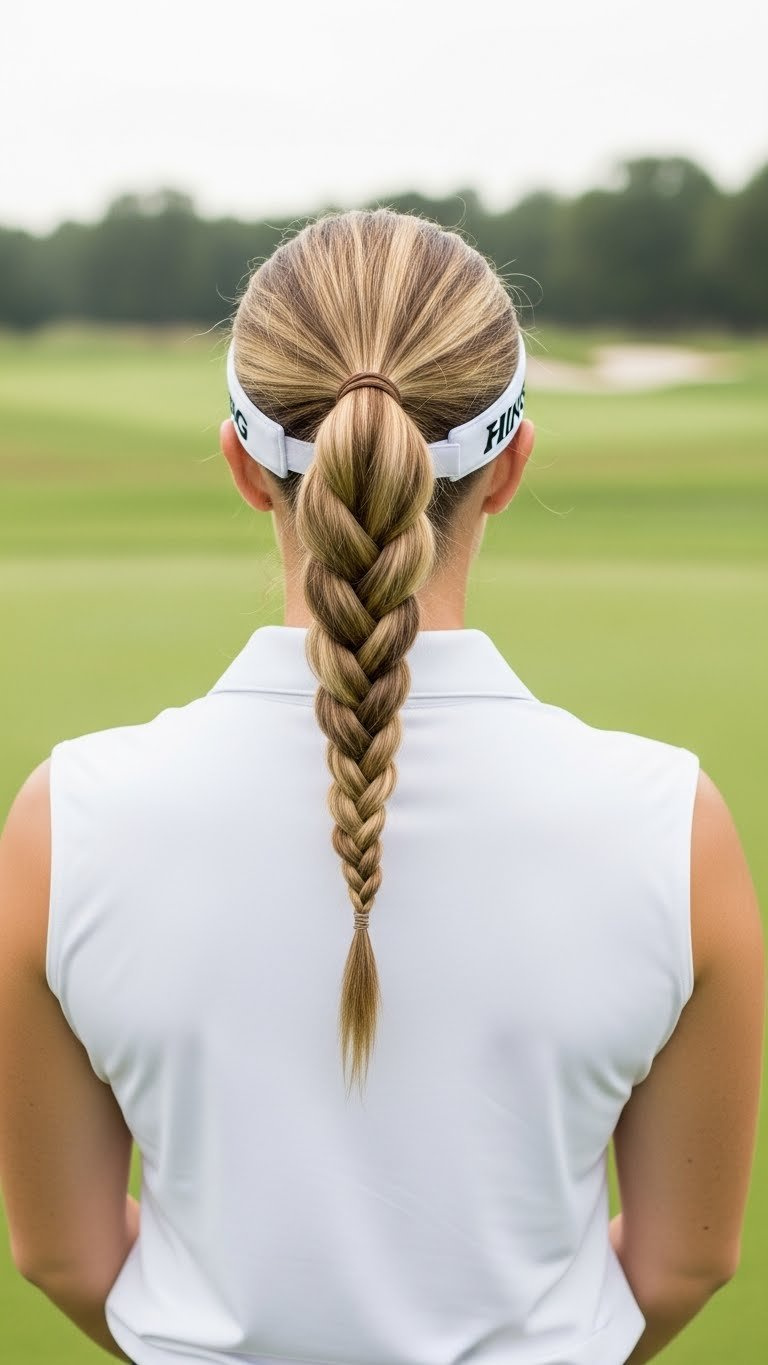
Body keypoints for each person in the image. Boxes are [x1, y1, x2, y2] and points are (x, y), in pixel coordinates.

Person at [0, 209, 763, 1365]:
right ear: (510, 466)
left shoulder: (65, 822)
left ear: (246, 469)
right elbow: (685, 1263)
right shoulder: (674, 825)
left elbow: (61, 1257)